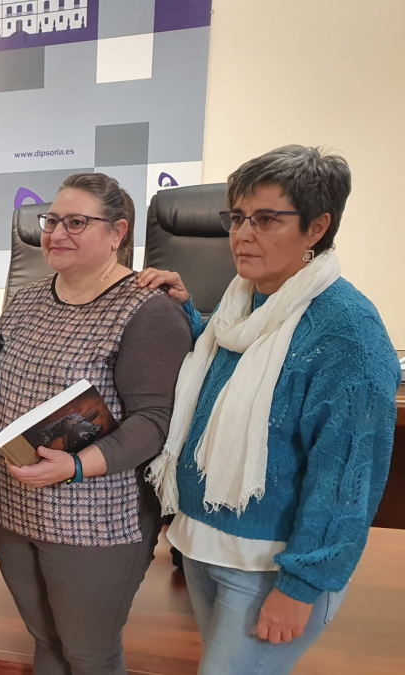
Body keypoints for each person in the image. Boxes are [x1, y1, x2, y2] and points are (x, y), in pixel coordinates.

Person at [140, 146, 399, 675]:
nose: (242, 233)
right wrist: (191, 315)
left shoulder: (347, 330)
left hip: (268, 566)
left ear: (316, 228)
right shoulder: (243, 302)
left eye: (265, 219)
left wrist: (302, 586)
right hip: (202, 544)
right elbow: (226, 378)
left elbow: (348, 477)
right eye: (236, 218)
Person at [0, 173, 192, 675]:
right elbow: (3, 382)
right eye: (51, 221)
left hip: (94, 517)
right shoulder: (23, 300)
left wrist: (77, 467)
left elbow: (156, 423)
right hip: (13, 503)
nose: (56, 233)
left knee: (89, 654)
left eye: (76, 222)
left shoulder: (147, 310)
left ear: (117, 233)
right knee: (44, 640)